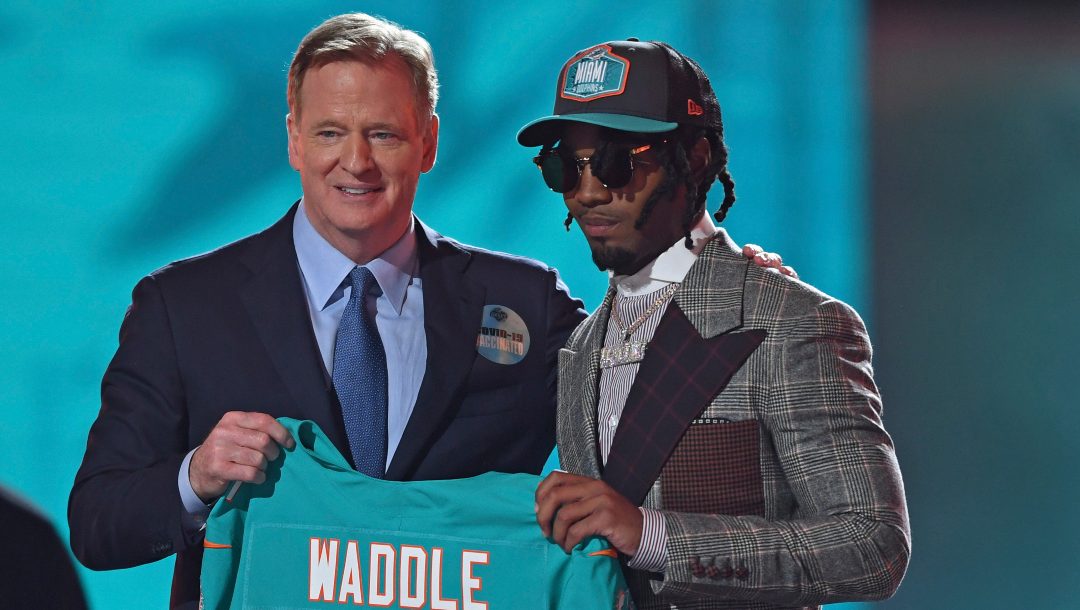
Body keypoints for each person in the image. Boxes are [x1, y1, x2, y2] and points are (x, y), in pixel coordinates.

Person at [69, 16, 789, 609]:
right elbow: (97, 527)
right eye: (329, 133)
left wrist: (719, 291)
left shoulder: (525, 303)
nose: (356, 162)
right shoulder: (183, 305)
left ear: (430, 142)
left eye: (383, 133)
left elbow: (644, 392)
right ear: (292, 138)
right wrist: (194, 476)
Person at [525, 40, 910, 609]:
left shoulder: (791, 321)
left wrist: (651, 534)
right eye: (565, 165)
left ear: (697, 157)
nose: (587, 192)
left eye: (617, 162)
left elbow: (871, 546)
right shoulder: (581, 347)